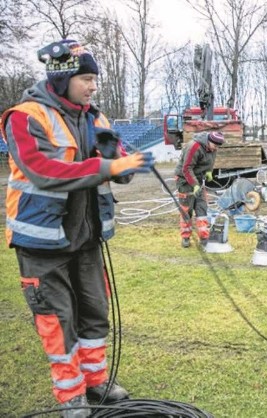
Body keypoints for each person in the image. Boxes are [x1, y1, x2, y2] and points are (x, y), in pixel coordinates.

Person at [1, 39, 154, 417]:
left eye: (94, 79)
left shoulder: (96, 118)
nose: (93, 86)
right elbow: (42, 171)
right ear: (62, 77)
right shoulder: (23, 117)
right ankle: (71, 395)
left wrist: (125, 166)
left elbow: (114, 162)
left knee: (94, 312)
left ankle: (95, 381)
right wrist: (107, 168)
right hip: (40, 244)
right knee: (58, 320)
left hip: (86, 239)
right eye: (86, 78)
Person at [174, 130, 224, 248]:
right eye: (215, 145)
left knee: (201, 208)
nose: (215, 148)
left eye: (217, 146)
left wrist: (209, 172)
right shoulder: (194, 146)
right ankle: (186, 237)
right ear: (209, 142)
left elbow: (210, 162)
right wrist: (194, 185)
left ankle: (204, 236)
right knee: (186, 210)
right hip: (184, 180)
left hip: (199, 179)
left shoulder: (213, 148)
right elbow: (186, 168)